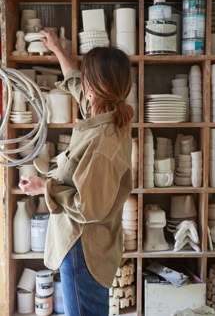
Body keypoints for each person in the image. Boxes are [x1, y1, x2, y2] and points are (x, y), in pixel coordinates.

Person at [19, 30, 133, 316]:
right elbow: (75, 86)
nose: (80, 80)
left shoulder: (103, 142)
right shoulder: (103, 112)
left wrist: (45, 187)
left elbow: (88, 206)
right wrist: (57, 49)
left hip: (85, 247)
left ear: (94, 87)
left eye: (86, 76)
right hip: (83, 243)